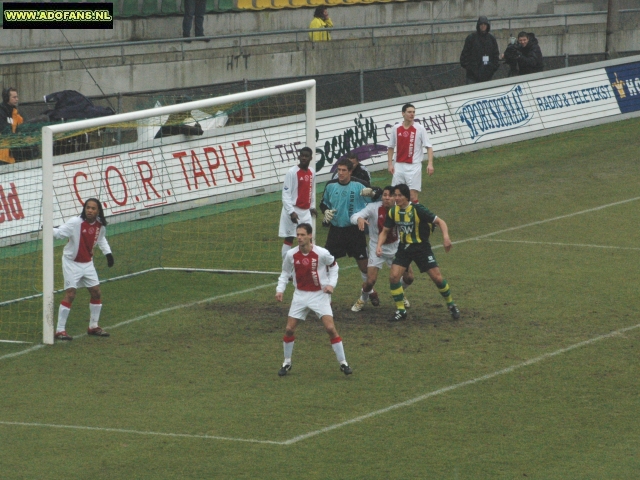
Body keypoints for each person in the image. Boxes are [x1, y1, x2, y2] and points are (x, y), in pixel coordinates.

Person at [275, 223, 352, 376]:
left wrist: (331, 285)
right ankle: (287, 362)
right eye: (298, 235)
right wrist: (280, 290)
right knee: (289, 329)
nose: (299, 238)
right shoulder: (291, 254)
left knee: (330, 328)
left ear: (310, 236)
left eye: (302, 235)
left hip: (319, 295)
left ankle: (343, 363)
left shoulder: (322, 253)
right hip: (300, 295)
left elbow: (334, 267)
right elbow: (285, 273)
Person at [376, 184, 460, 322]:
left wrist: (446, 237)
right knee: (394, 276)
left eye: (399, 195)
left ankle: (451, 305)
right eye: (394, 195)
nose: (396, 198)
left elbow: (440, 222)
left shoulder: (418, 210)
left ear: (406, 197)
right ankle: (401, 310)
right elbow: (385, 231)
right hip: (404, 248)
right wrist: (379, 245)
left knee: (438, 278)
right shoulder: (393, 212)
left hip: (421, 248)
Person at [53, 198, 114, 340]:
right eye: (88, 207)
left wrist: (108, 254)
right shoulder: (75, 223)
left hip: (87, 263)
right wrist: (47, 228)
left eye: (93, 208)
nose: (90, 210)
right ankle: (60, 330)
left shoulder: (100, 225)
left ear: (98, 211)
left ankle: (93, 326)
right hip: (71, 263)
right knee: (71, 294)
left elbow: (101, 239)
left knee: (96, 292)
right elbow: (60, 233)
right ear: (84, 209)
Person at [349, 186, 414, 312]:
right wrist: (359, 219)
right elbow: (354, 216)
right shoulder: (373, 208)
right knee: (370, 281)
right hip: (376, 247)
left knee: (409, 278)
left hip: (396, 247)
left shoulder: (401, 207)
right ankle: (363, 298)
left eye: (390, 195)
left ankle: (399, 292)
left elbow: (416, 209)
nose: (387, 198)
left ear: (395, 197)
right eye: (384, 195)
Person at [320, 158, 381, 284]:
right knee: (325, 264)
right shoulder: (330, 185)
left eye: (344, 170)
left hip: (355, 231)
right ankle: (326, 299)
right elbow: (323, 203)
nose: (340, 173)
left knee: (364, 267)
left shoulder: (359, 184)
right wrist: (325, 211)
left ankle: (370, 292)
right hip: (336, 231)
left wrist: (374, 193)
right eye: (339, 170)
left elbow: (378, 195)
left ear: (350, 172)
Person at [387, 103, 434, 205]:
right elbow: (390, 147)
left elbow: (429, 147)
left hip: (414, 166)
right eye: (409, 112)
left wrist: (430, 164)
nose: (412, 114)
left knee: (412, 196)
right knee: (396, 194)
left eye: (413, 112)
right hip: (399, 166)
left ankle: (415, 218)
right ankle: (398, 218)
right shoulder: (396, 128)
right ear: (403, 113)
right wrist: (390, 164)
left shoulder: (420, 129)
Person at [279, 146, 316, 259]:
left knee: (308, 237)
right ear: (299, 157)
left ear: (311, 158)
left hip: (305, 212)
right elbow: (286, 194)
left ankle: (307, 264)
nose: (304, 158)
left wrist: (312, 206)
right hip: (293, 210)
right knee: (290, 238)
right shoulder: (292, 172)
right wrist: (291, 212)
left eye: (307, 156)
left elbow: (311, 190)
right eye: (302, 156)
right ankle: (287, 269)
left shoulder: (312, 172)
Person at [460, 16, 500, 84]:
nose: (483, 26)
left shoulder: (491, 39)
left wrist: (491, 69)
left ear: (487, 26)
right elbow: (464, 57)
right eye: (481, 24)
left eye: (485, 24)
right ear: (478, 25)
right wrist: (471, 69)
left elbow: (495, 55)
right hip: (472, 77)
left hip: (487, 76)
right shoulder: (471, 38)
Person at [0, 87, 23, 165]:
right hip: (2, 154)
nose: (17, 99)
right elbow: (4, 130)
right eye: (14, 97)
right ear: (7, 98)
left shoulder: (15, 112)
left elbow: (22, 125)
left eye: (17, 97)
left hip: (12, 152)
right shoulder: (1, 112)